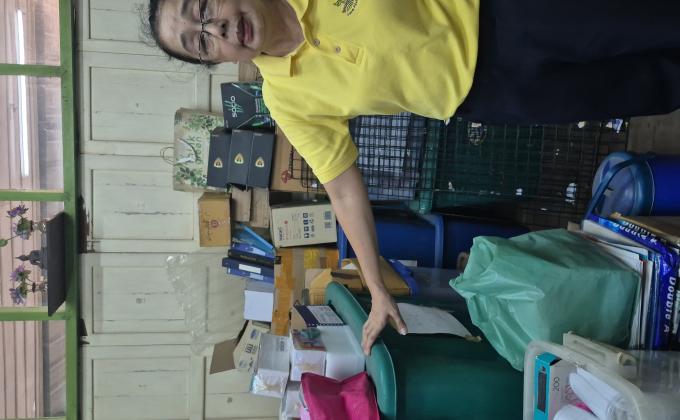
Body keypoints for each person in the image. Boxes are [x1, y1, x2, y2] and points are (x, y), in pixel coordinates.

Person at [146, 0, 680, 355]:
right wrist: (377, 286)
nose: (215, 28)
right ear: (216, 60)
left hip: (507, 10)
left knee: (647, 18)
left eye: (203, 9)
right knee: (641, 87)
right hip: (487, 94)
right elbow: (342, 187)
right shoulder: (287, 99)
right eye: (200, 42)